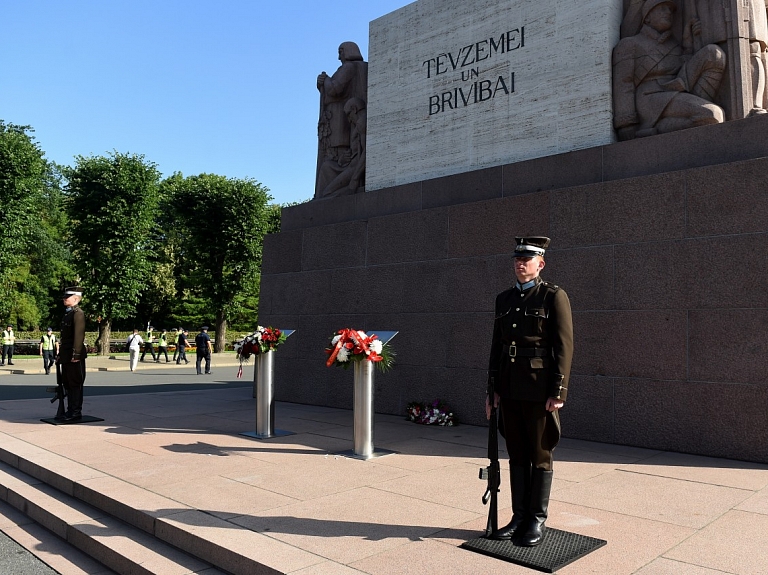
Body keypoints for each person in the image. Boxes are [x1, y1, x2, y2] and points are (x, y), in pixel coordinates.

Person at [485, 237, 574, 547]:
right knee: (517, 454)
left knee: (539, 454)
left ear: (541, 263)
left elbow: (564, 346)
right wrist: (492, 390)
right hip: (509, 387)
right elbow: (497, 346)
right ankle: (519, 516)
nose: (520, 263)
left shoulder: (553, 296)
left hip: (539, 389)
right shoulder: (504, 299)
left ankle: (536, 519)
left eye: (527, 258)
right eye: (517, 258)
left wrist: (558, 390)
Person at [613, 0, 725, 140]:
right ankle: (649, 128)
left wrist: (689, 42)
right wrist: (626, 125)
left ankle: (656, 129)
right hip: (650, 98)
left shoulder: (673, 45)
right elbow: (624, 83)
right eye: (662, 8)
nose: (668, 13)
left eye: (670, 10)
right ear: (647, 17)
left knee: (713, 54)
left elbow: (684, 72)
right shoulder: (630, 44)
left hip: (674, 92)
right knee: (712, 114)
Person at [315, 41, 368, 198]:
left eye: (341, 51)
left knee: (332, 161)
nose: (339, 56)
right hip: (340, 121)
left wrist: (325, 80)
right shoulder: (349, 68)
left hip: (340, 124)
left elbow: (335, 89)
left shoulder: (348, 67)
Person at [57, 287, 88, 421]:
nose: (64, 299)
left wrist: (76, 354)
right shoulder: (68, 314)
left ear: (75, 298)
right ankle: (70, 410)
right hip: (67, 354)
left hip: (74, 356)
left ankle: (75, 412)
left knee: (75, 383)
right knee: (68, 383)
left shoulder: (78, 313)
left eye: (67, 297)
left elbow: (78, 336)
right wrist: (61, 354)